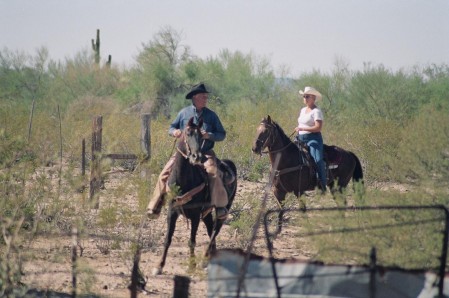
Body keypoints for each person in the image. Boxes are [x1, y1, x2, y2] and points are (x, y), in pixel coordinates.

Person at [147, 83, 230, 219]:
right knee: (164, 173)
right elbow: (171, 127)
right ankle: (155, 206)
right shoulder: (183, 113)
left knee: (213, 172)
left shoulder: (212, 116)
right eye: (203, 96)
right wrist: (175, 132)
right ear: (195, 97)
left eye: (206, 96)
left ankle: (220, 207)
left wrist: (209, 135)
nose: (206, 99)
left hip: (205, 153)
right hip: (184, 154)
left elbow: (222, 134)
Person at [294, 86, 327, 193]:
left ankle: (322, 184)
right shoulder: (303, 110)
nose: (305, 98)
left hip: (313, 139)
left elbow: (318, 127)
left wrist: (303, 128)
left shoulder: (316, 111)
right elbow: (301, 123)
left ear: (313, 98)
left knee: (317, 160)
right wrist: (299, 129)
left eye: (307, 96)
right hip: (300, 138)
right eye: (304, 96)